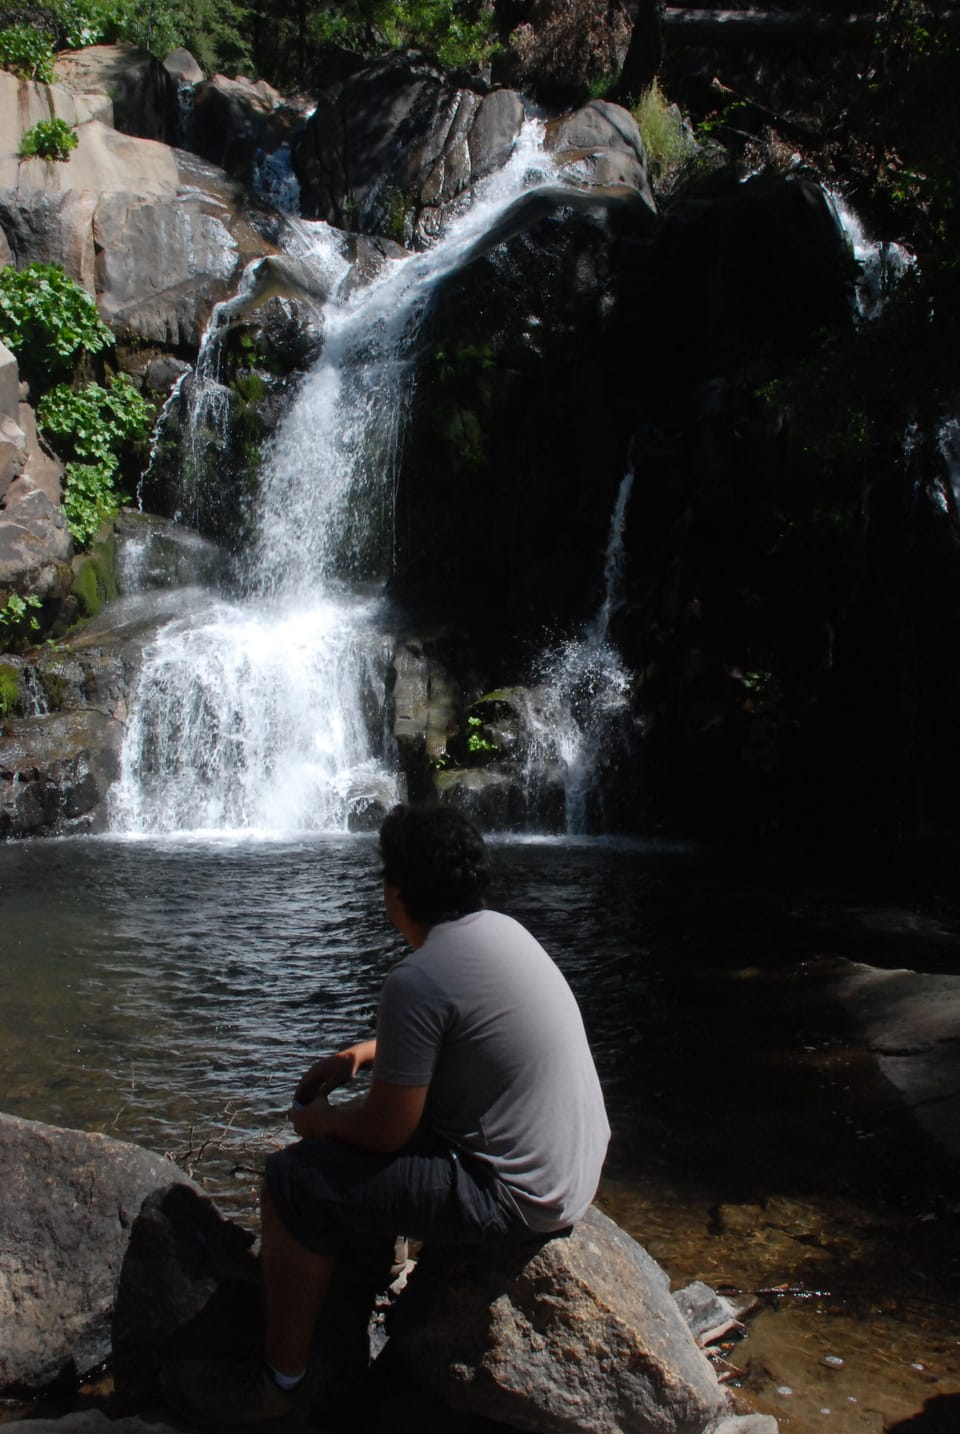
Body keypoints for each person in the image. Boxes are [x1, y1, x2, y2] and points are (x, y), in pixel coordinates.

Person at [166, 803, 609, 1426]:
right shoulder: (503, 932)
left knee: (297, 1179)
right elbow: (471, 1032)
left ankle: (281, 1381)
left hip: (518, 1194)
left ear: (395, 890)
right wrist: (365, 1054)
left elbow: (386, 1129)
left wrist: (318, 1124)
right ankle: (363, 1281)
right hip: (574, 1166)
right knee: (373, 1148)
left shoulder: (418, 978)